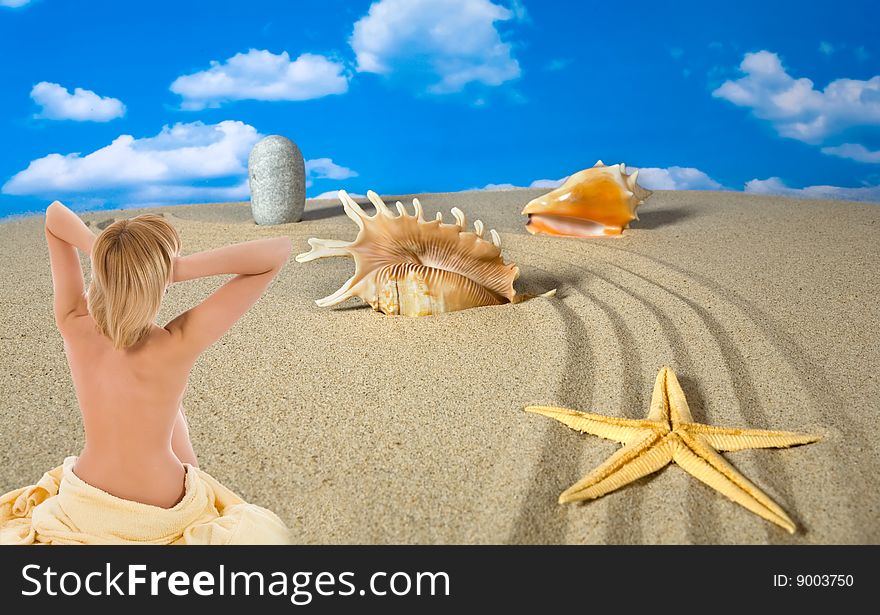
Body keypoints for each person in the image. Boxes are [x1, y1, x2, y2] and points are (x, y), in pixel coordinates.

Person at [0, 201, 293, 544]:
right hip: (158, 506)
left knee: (173, 410)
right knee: (175, 421)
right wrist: (175, 268)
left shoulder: (73, 323)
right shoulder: (176, 342)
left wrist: (110, 256)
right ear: (159, 282)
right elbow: (277, 252)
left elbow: (53, 217)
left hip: (86, 494)